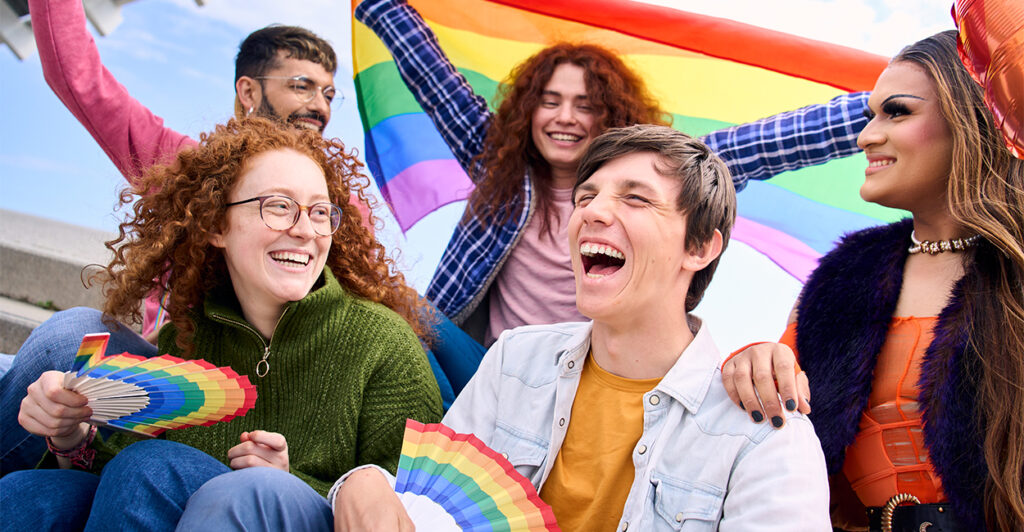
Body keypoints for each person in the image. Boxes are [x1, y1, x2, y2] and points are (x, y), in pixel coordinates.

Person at [186, 125, 831, 530]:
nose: (593, 213)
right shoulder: (515, 361)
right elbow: (423, 499)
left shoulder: (765, 435)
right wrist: (364, 484)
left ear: (701, 248)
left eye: (634, 198)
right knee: (245, 497)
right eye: (586, 197)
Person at [0, 0, 457, 475]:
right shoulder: (184, 168)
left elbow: (384, 317)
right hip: (179, 359)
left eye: (328, 93)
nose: (319, 105)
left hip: (292, 400)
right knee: (64, 337)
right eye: (301, 86)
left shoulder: (343, 207)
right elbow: (81, 80)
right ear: (248, 90)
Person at [357, 0, 873, 364]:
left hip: (596, 369)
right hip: (490, 367)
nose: (565, 118)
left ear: (612, 116)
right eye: (551, 101)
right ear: (527, 111)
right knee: (402, 314)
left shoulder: (656, 174)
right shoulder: (501, 171)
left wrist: (881, 109)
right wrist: (380, 5)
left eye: (586, 105)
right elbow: (433, 77)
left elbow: (767, 143)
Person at [0, 117, 443, 531]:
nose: (306, 229)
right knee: (29, 493)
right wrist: (68, 434)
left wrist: (288, 483)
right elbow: (114, 466)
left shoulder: (385, 346)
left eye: (320, 211)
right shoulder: (189, 334)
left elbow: (415, 510)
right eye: (279, 206)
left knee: (151, 469)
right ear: (216, 225)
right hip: (181, 505)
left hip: (293, 519)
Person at [721, 31, 1024, 531]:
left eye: (897, 112)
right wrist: (751, 365)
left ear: (974, 119)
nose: (866, 137)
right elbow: (775, 424)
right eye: (870, 116)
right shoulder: (842, 277)